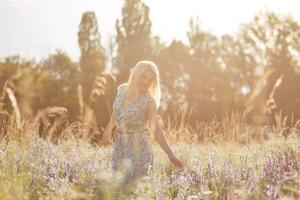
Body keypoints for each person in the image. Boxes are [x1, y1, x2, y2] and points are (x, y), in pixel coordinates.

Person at [101, 60, 184, 194]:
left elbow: (156, 130)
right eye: (143, 77)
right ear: (135, 74)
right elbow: (117, 113)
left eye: (150, 80)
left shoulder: (149, 102)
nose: (146, 82)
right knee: (118, 191)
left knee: (134, 192)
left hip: (139, 151)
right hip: (120, 147)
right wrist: (108, 129)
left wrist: (171, 154)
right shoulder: (122, 89)